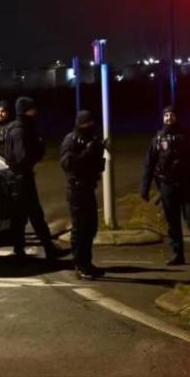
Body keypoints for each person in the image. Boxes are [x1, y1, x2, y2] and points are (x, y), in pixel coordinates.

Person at [140, 106, 190, 267]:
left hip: (187, 184)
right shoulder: (158, 139)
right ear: (162, 118)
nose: (169, 118)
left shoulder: (187, 136)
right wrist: (144, 188)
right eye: (166, 115)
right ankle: (177, 253)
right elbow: (149, 164)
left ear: (177, 117)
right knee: (172, 222)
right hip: (167, 186)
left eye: (172, 115)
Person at [3, 96, 67, 260]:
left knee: (23, 216)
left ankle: (24, 250)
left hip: (19, 177)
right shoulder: (20, 130)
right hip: (20, 178)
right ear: (26, 111)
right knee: (30, 215)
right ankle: (42, 249)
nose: (35, 112)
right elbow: (22, 156)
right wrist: (38, 150)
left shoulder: (18, 127)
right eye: (32, 109)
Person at [60, 110, 107, 279]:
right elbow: (67, 164)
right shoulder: (71, 140)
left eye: (90, 123)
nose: (89, 126)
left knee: (91, 227)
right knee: (80, 228)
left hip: (88, 188)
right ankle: (80, 263)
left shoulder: (91, 140)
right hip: (76, 189)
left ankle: (87, 262)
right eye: (85, 123)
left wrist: (98, 150)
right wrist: (87, 153)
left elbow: (97, 165)